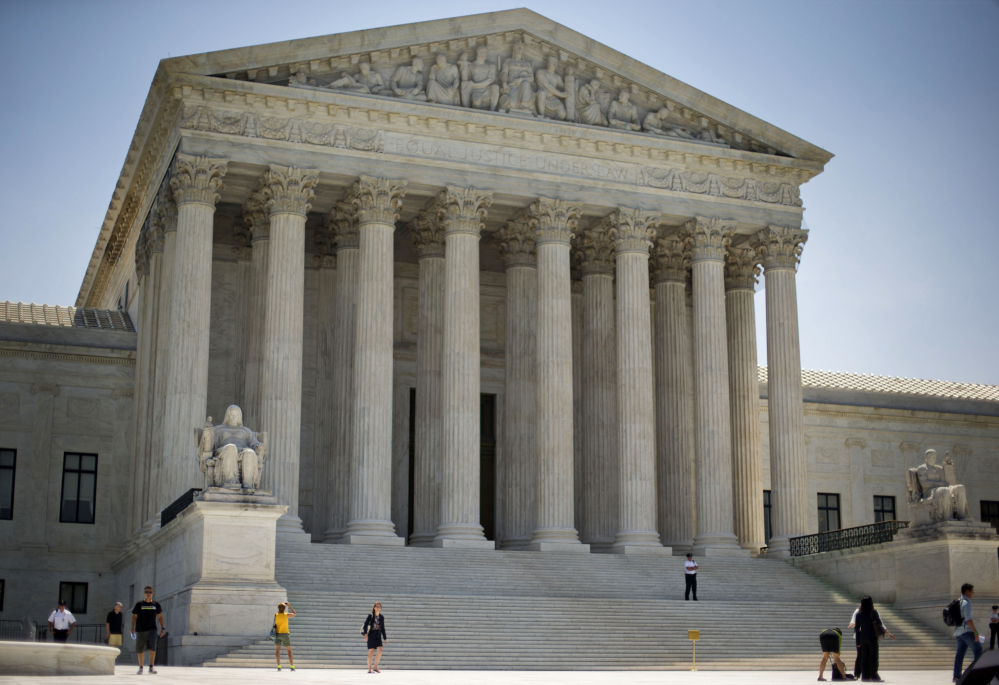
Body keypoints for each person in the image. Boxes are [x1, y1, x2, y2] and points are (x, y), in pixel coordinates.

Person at [853, 595, 893, 682]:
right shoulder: (873, 612)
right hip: (872, 637)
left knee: (864, 657)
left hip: (862, 638)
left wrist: (858, 642)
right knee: (873, 657)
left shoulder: (858, 614)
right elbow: (879, 623)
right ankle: (874, 675)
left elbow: (856, 629)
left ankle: (865, 676)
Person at [131, 586, 165, 675]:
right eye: (147, 592)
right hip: (141, 630)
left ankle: (151, 667)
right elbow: (134, 617)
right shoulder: (139, 604)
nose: (149, 594)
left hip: (152, 629)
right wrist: (132, 628)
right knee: (141, 649)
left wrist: (162, 628)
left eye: (150, 592)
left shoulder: (156, 604)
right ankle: (141, 668)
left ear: (152, 593)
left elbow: (160, 617)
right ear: (144, 593)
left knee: (153, 647)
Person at [954, 583, 982, 682]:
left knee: (960, 653)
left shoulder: (958, 601)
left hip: (958, 632)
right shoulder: (967, 603)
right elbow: (968, 619)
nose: (973, 593)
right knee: (978, 650)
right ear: (967, 591)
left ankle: (957, 676)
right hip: (966, 631)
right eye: (972, 591)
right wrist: (975, 632)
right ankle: (977, 675)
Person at [362, 602, 387, 673]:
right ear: (374, 608)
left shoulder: (382, 617)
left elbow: (383, 628)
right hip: (371, 635)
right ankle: (369, 668)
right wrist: (366, 635)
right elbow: (365, 625)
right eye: (377, 606)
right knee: (371, 652)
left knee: (380, 651)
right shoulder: (371, 615)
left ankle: (375, 667)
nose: (378, 608)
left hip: (378, 635)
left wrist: (385, 638)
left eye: (379, 607)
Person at [274, 601, 296, 671]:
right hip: (285, 634)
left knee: (277, 651)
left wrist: (281, 608)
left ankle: (279, 666)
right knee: (289, 652)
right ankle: (292, 666)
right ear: (284, 609)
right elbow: (294, 614)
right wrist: (289, 606)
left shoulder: (276, 615)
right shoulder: (286, 615)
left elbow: (279, 612)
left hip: (277, 634)